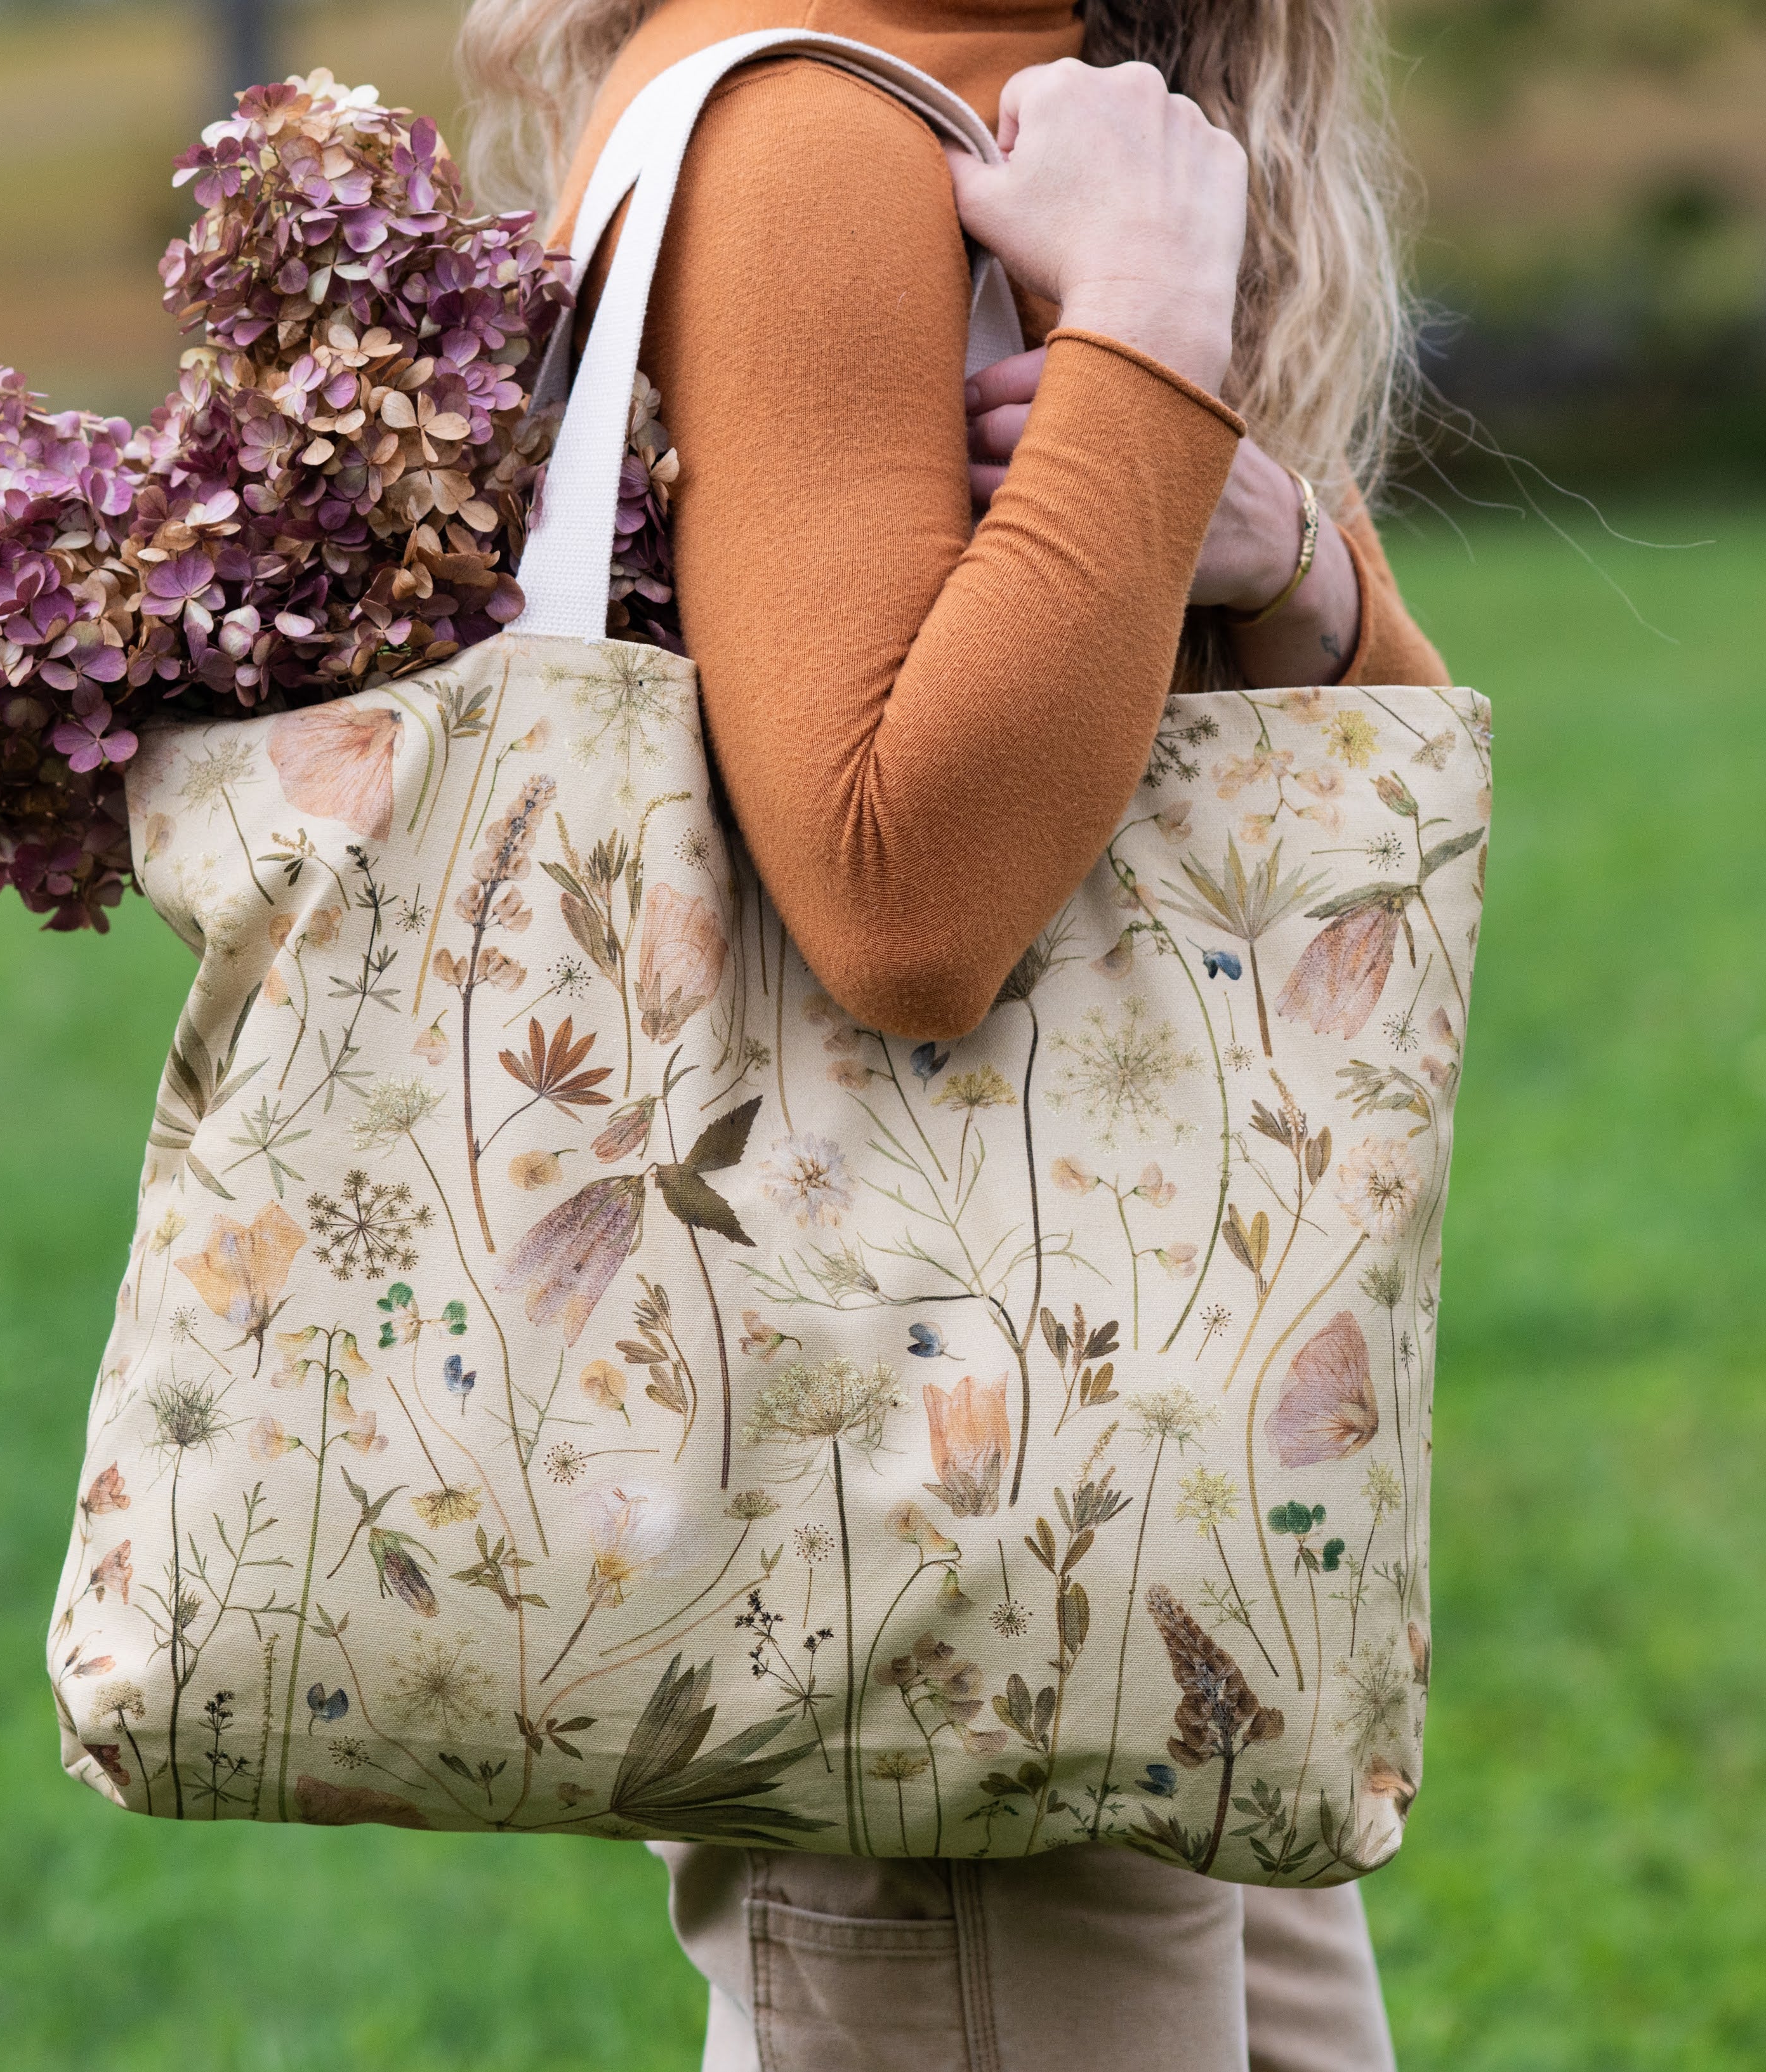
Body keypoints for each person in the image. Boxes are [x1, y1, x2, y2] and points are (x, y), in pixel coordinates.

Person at [454, 0, 1446, 2064]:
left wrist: (1289, 561)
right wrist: (1148, 312)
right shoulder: (813, 132)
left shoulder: (1013, 88)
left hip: (1110, 1478)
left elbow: (1375, 801)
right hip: (928, 1510)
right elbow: (898, 898)